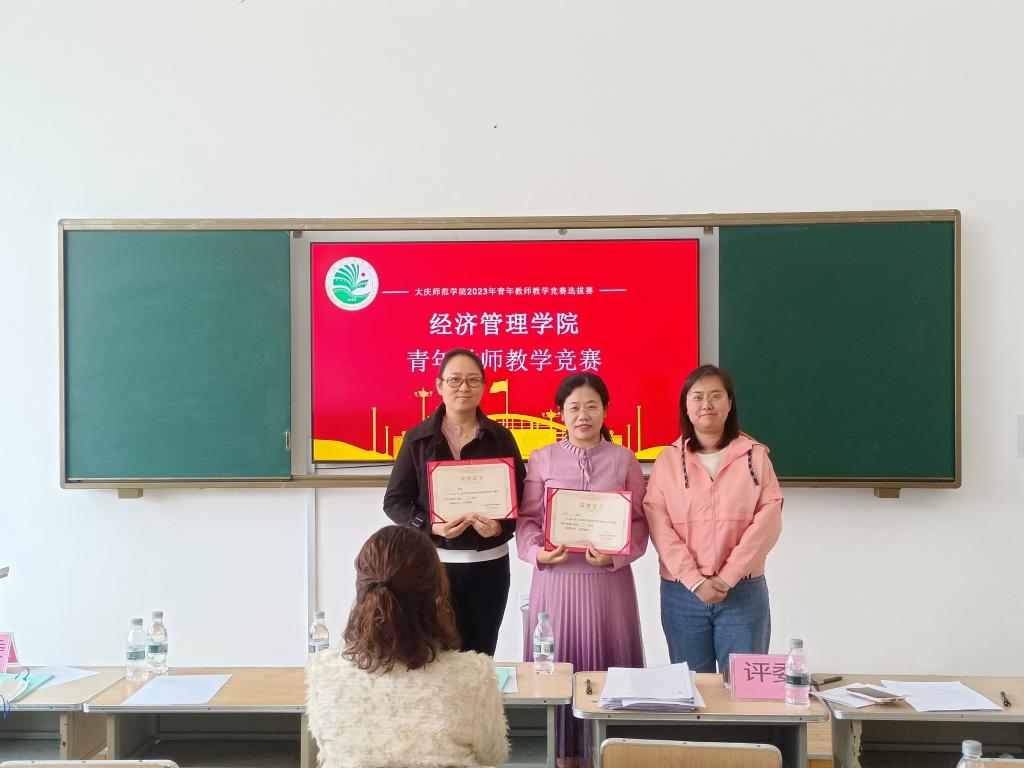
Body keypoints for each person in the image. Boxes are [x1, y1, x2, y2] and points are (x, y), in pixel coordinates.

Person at [516, 373, 648, 768]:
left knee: (610, 666)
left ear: (605, 410)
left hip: (609, 583)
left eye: (592, 406)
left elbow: (639, 522)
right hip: (555, 583)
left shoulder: (624, 459)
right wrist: (538, 552)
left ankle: (615, 754)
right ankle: (561, 756)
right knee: (556, 669)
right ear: (560, 413)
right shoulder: (542, 458)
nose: (583, 415)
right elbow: (527, 520)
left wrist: (615, 557)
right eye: (573, 407)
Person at [306, 525, 508, 768]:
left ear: (361, 587)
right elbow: (493, 755)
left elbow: (327, 751)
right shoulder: (474, 674)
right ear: (438, 590)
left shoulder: (323, 672)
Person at [383, 348, 526, 656]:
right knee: (438, 656)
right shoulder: (417, 439)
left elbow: (523, 499)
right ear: (439, 385)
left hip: (490, 565)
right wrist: (431, 526)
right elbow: (395, 501)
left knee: (482, 656)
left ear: (484, 386)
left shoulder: (501, 438)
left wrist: (500, 529)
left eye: (473, 380)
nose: (464, 387)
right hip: (435, 567)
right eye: (455, 380)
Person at [644, 364, 783, 675]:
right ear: (686, 406)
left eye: (716, 396)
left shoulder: (755, 457)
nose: (706, 404)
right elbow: (659, 526)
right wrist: (694, 581)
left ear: (729, 403)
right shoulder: (667, 461)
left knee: (744, 688)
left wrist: (727, 577)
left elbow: (767, 522)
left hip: (743, 591)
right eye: (697, 397)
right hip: (682, 593)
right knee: (691, 688)